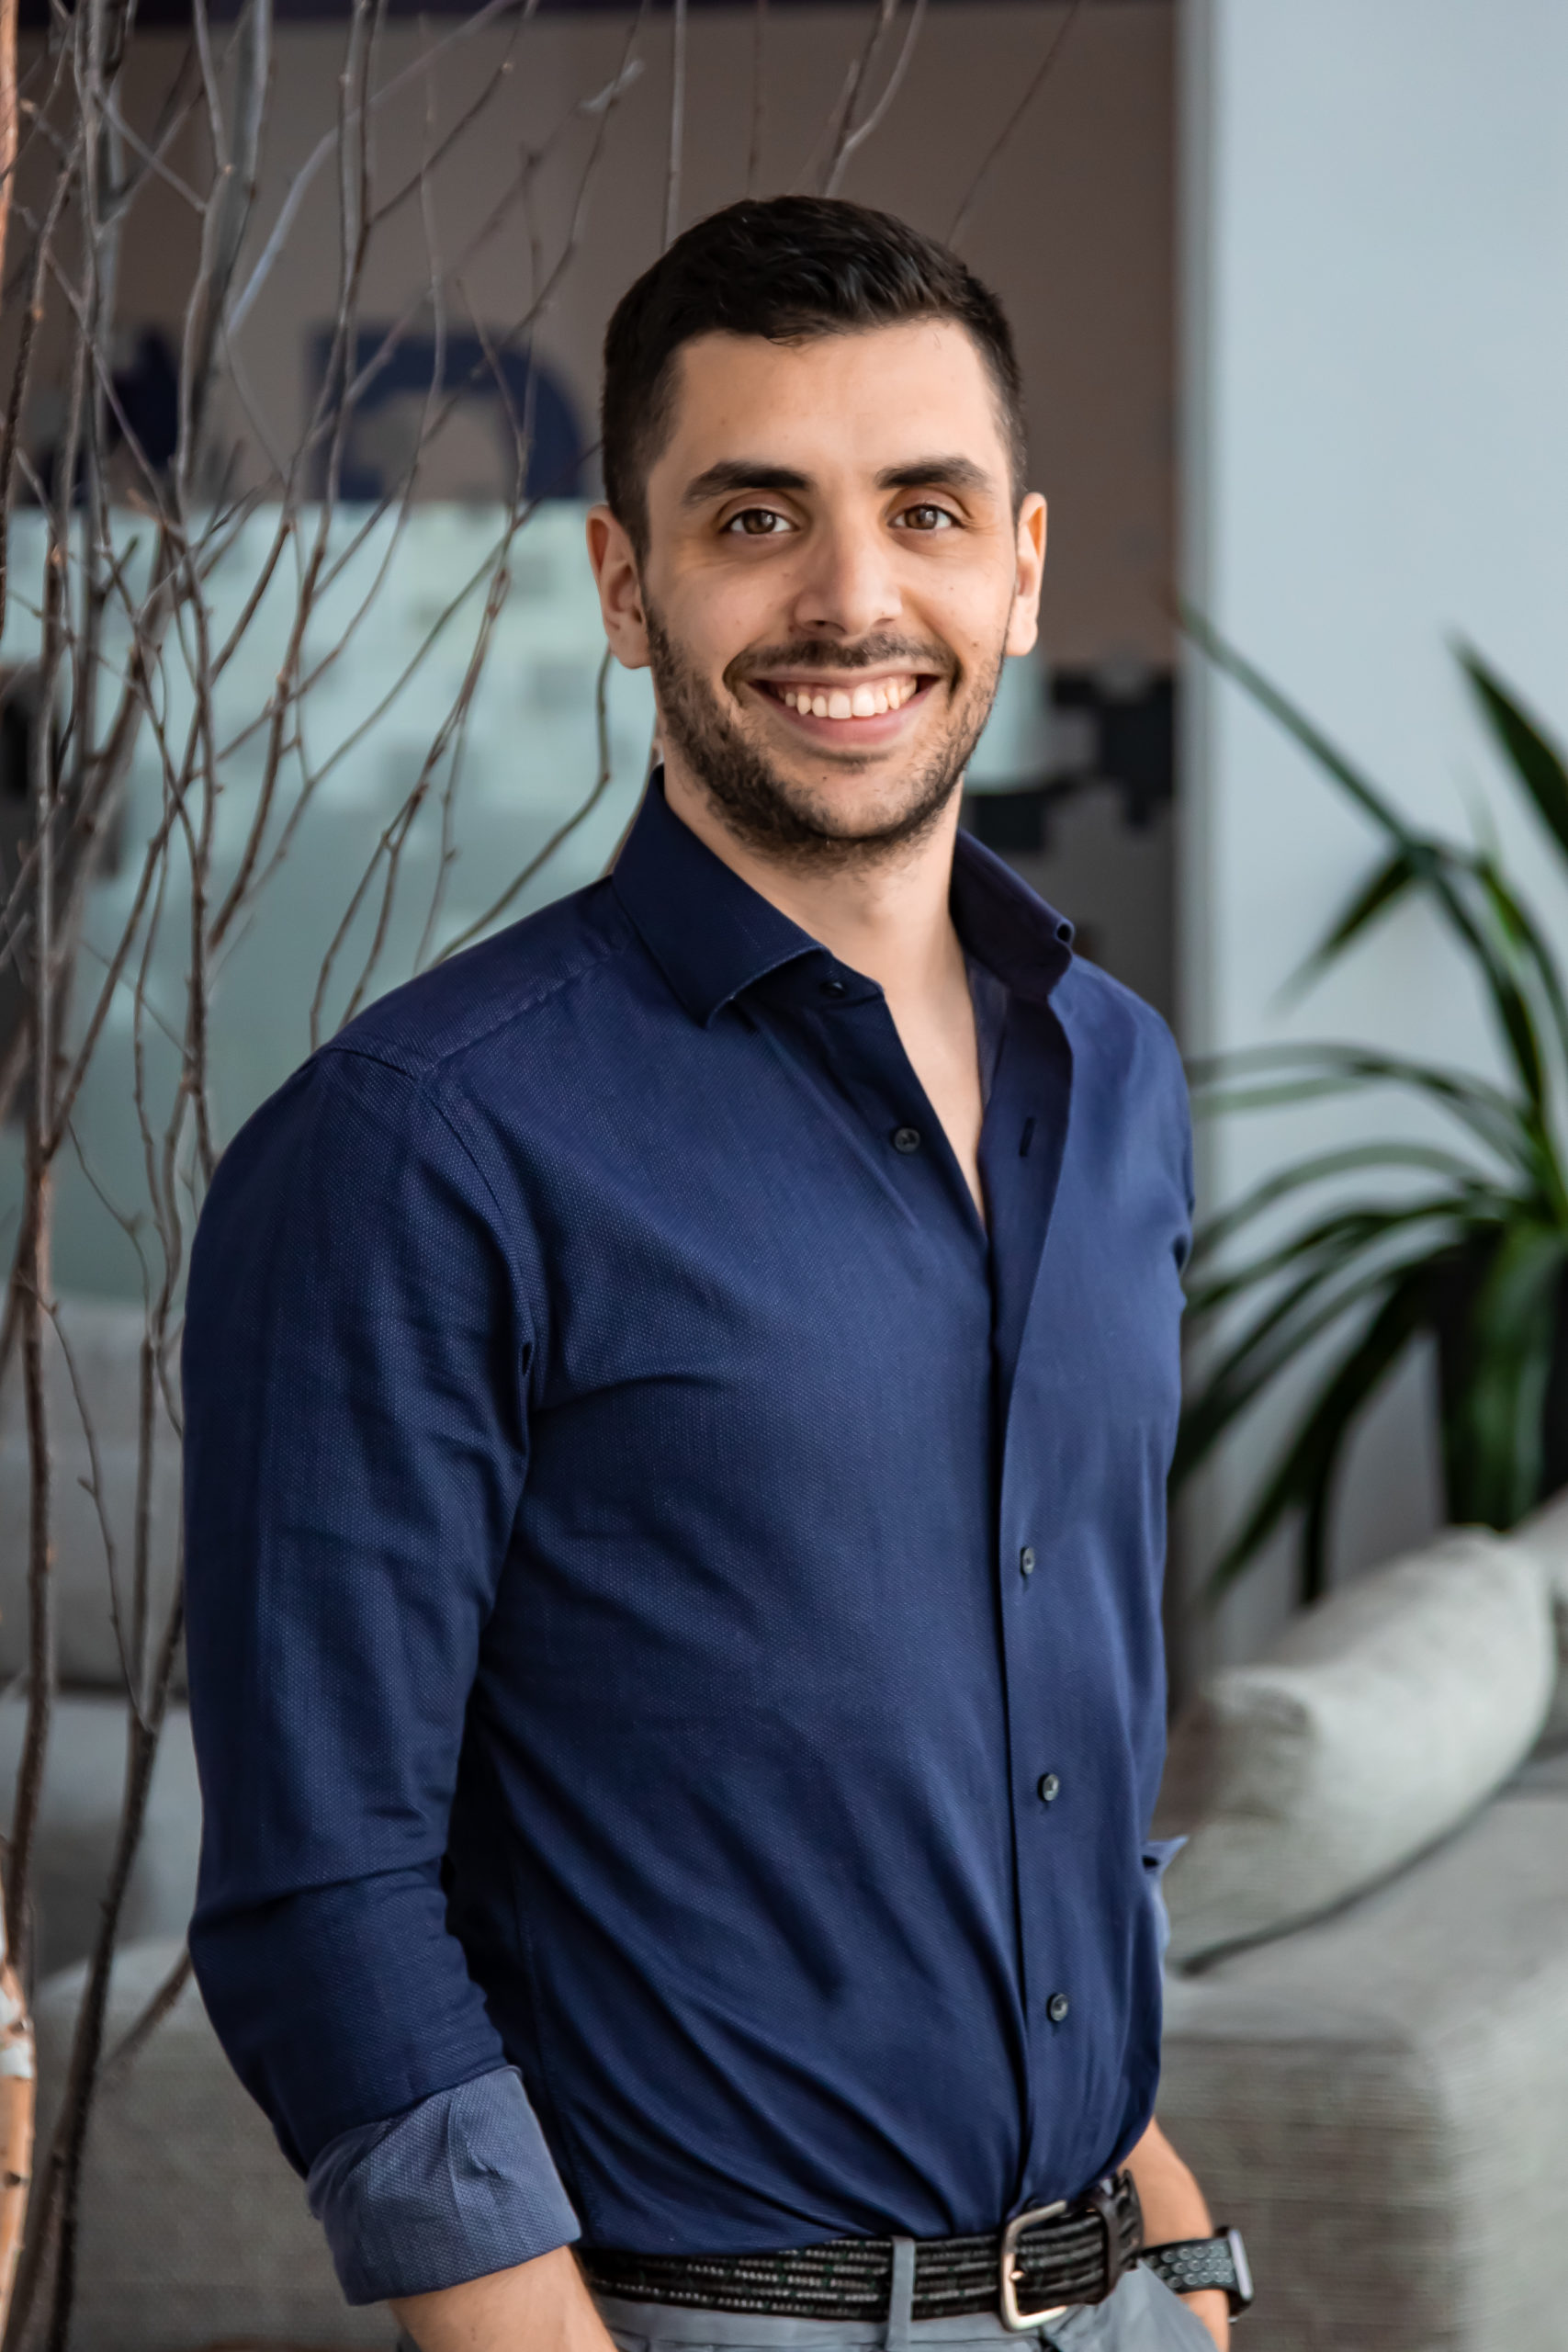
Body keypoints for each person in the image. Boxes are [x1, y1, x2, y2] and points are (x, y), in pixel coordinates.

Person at [183, 197, 1247, 2352]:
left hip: (1117, 2292)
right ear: (620, 579)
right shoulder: (419, 1141)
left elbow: (1040, 1748)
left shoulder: (1112, 1075)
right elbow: (321, 1886)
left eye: (922, 510)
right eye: (755, 514)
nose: (850, 594)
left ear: (1020, 568)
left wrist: (1174, 2246)